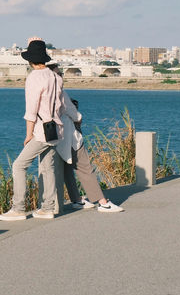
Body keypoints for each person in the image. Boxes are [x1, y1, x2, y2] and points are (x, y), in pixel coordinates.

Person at [0, 39, 60, 221]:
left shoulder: (34, 77)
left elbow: (31, 110)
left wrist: (28, 134)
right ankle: (47, 208)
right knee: (48, 167)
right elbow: (61, 105)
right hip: (56, 128)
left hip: (41, 130)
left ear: (30, 60)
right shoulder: (54, 76)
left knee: (19, 165)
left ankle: (18, 208)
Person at [47, 62, 124, 213]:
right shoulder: (60, 92)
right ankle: (102, 202)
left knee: (67, 169)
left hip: (56, 136)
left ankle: (76, 199)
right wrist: (79, 117)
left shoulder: (45, 93)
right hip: (70, 134)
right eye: (59, 74)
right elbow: (73, 113)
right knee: (85, 167)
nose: (61, 76)